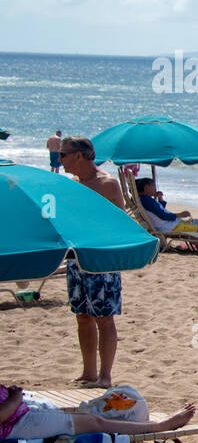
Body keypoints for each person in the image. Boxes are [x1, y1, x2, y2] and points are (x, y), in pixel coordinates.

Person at [59, 136, 126, 387]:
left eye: (63, 155)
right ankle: (89, 372)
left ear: (79, 155)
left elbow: (122, 225)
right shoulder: (73, 183)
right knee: (82, 315)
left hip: (101, 260)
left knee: (104, 317)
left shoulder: (107, 183)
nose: (59, 160)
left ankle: (105, 377)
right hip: (77, 257)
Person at [0, 383, 195, 442]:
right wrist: (15, 398)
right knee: (94, 422)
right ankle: (160, 426)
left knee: (89, 418)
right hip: (16, 423)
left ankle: (150, 425)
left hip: (21, 416)